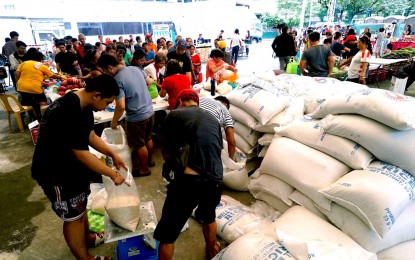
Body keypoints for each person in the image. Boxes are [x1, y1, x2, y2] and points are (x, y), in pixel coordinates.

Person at [31, 74, 126, 260]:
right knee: (73, 217)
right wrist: (113, 174)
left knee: (80, 207)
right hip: (55, 173)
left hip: (71, 169)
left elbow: (90, 135)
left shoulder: (83, 105)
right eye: (107, 102)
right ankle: (85, 258)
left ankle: (88, 237)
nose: (107, 106)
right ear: (96, 95)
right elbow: (81, 153)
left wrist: (112, 154)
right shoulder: (67, 110)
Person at [153, 89, 223, 260]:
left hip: (188, 182)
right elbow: (217, 149)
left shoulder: (174, 115)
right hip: (215, 180)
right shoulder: (214, 119)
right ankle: (210, 251)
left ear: (180, 102)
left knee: (167, 235)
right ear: (197, 103)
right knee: (208, 217)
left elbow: (166, 154)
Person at [98, 53, 155, 177]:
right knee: (148, 138)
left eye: (104, 72)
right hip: (150, 111)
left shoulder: (117, 80)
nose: (106, 75)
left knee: (139, 145)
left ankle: (144, 169)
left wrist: (114, 121)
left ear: (109, 68)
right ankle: (150, 161)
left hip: (137, 117)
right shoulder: (135, 68)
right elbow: (149, 81)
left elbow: (121, 106)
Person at [16, 51, 65, 119]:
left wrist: (19, 82)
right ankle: (42, 118)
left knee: (29, 104)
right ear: (40, 59)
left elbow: (17, 73)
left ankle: (32, 118)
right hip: (35, 88)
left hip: (21, 87)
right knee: (43, 103)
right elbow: (51, 75)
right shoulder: (41, 65)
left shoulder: (24, 63)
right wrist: (61, 77)